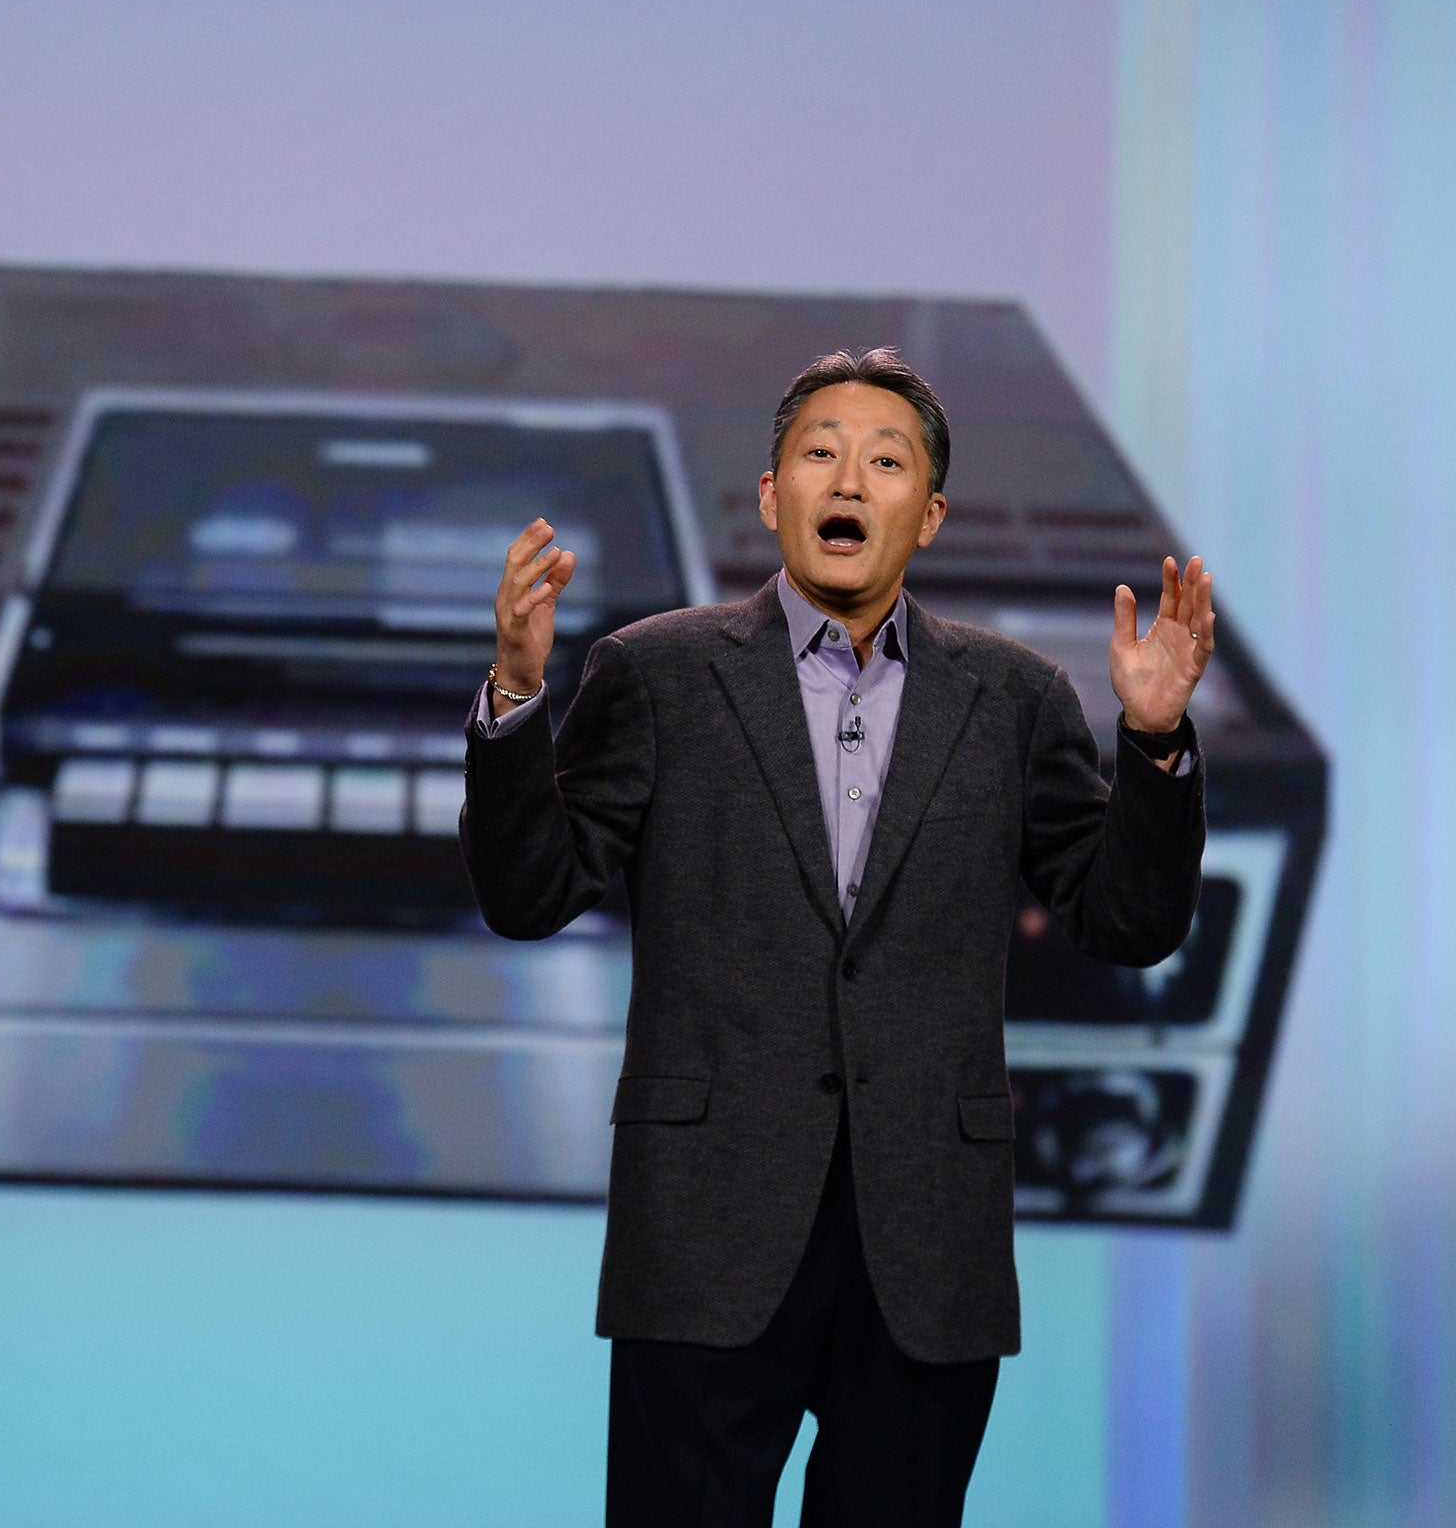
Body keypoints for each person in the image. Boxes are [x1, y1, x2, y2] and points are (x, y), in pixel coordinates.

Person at [460, 348, 1211, 1526]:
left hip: (924, 1239)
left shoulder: (1013, 698)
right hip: (707, 1226)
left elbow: (1125, 921)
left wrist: (1157, 745)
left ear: (930, 511)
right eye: (817, 453)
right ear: (772, 497)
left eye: (883, 459)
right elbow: (529, 894)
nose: (846, 479)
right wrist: (514, 695)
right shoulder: (654, 674)